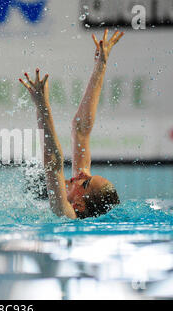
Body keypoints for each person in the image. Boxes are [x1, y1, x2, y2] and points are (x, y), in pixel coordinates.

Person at [19, 29, 123, 219]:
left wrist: (43, 108)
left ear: (80, 205)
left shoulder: (66, 213)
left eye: (86, 182)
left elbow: (53, 163)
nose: (83, 173)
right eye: (89, 176)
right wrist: (101, 66)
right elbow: (81, 130)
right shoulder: (77, 190)